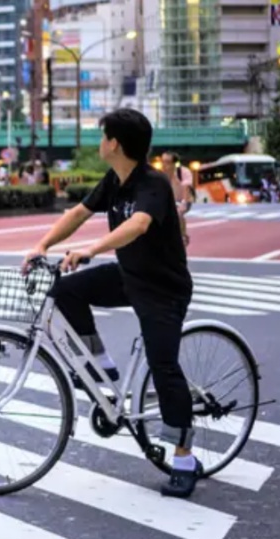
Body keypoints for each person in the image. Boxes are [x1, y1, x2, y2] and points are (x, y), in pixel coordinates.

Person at [22, 108, 200, 498]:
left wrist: (90, 249)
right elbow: (78, 213)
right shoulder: (114, 180)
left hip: (162, 288)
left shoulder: (151, 183)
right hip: (128, 277)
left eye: (103, 136)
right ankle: (103, 367)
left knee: (163, 365)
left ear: (114, 143)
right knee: (65, 291)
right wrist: (42, 245)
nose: (100, 142)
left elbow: (138, 225)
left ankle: (185, 458)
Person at [160, 151, 193, 245]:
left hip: (183, 200)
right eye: (162, 161)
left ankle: (183, 236)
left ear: (174, 163)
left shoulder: (183, 172)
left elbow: (187, 188)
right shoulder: (161, 174)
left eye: (167, 162)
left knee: (178, 214)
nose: (164, 164)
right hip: (170, 201)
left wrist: (184, 203)